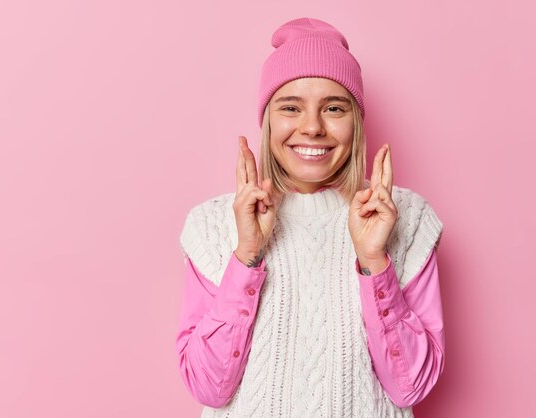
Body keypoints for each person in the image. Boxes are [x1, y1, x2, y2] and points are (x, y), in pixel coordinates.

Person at [175, 17, 445, 418]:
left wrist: (374, 261)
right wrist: (246, 254)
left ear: (356, 121)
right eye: (291, 107)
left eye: (333, 108)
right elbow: (208, 387)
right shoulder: (213, 224)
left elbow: (412, 387)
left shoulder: (406, 219)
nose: (313, 127)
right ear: (267, 122)